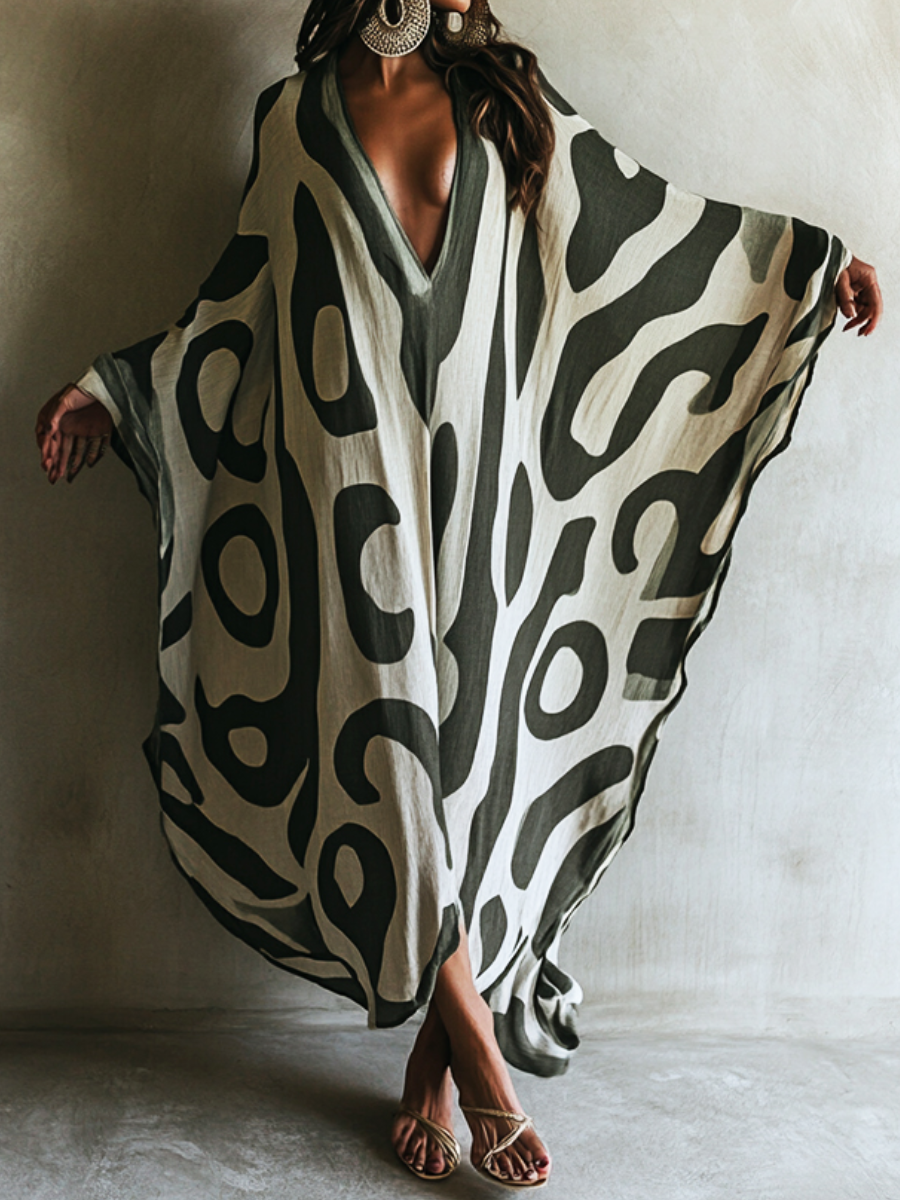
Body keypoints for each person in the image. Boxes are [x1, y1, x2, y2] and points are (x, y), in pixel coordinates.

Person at [35, 0, 883, 1189]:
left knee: (475, 770)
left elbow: (641, 227)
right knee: (385, 749)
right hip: (349, 495)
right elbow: (235, 310)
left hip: (488, 496)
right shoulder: (292, 121)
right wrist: (114, 390)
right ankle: (485, 1061)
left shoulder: (509, 106)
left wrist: (803, 266)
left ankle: (430, 1071)